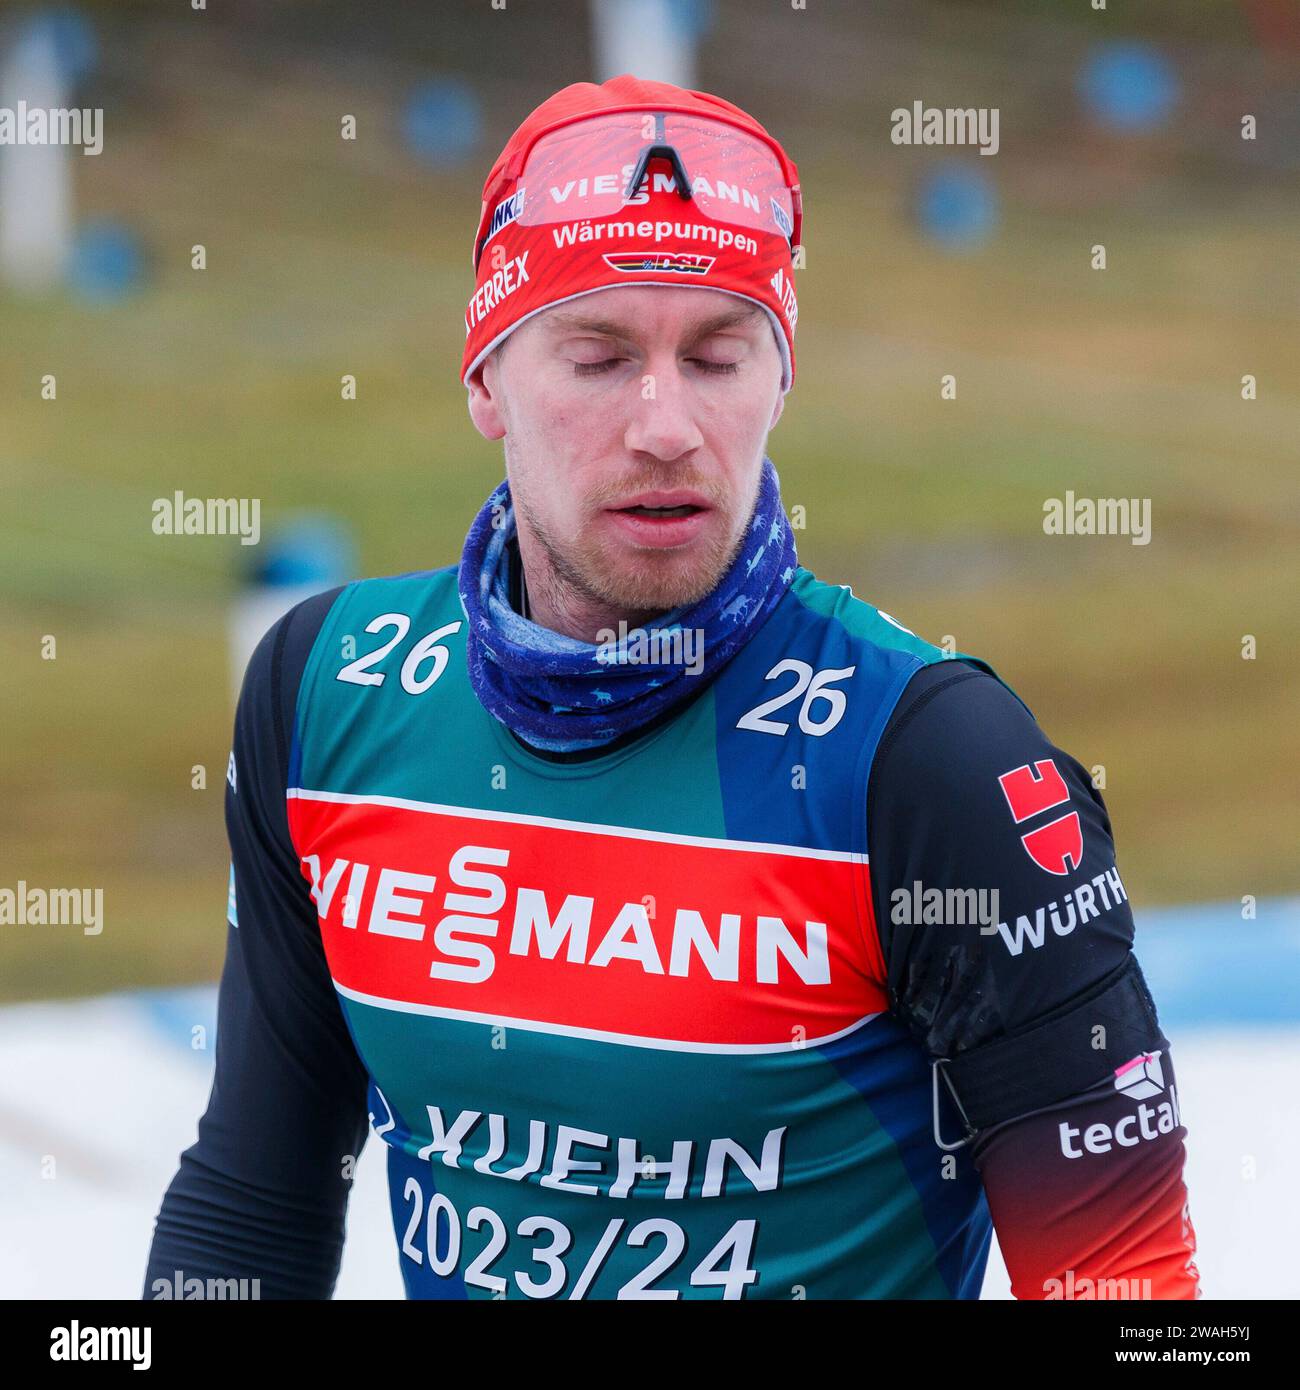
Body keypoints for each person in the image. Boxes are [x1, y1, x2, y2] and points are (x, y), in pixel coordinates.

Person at [144, 74, 1199, 1300]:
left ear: (780, 378)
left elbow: (1131, 1291)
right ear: (485, 381)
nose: (664, 426)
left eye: (716, 354)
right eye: (596, 356)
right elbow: (252, 1200)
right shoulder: (325, 687)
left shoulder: (928, 759)